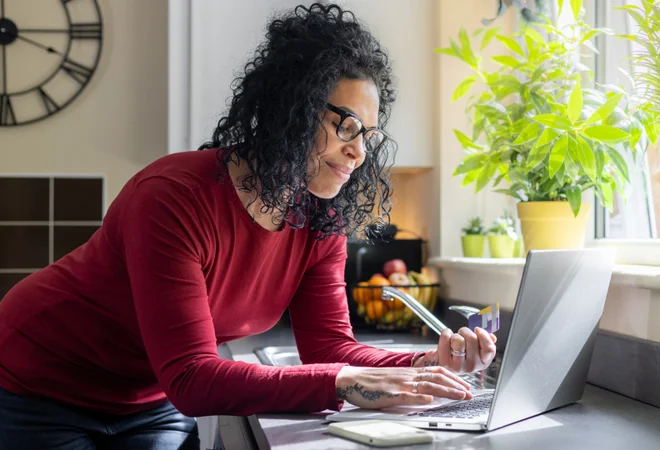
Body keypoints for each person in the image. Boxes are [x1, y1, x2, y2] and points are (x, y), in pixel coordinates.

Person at [0, 4, 497, 449]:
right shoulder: (173, 196)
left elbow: (330, 348)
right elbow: (192, 376)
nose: (359, 151)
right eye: (345, 126)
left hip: (149, 401)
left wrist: (427, 366)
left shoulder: (320, 217)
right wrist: (343, 383)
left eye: (368, 134)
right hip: (39, 382)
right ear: (291, 110)